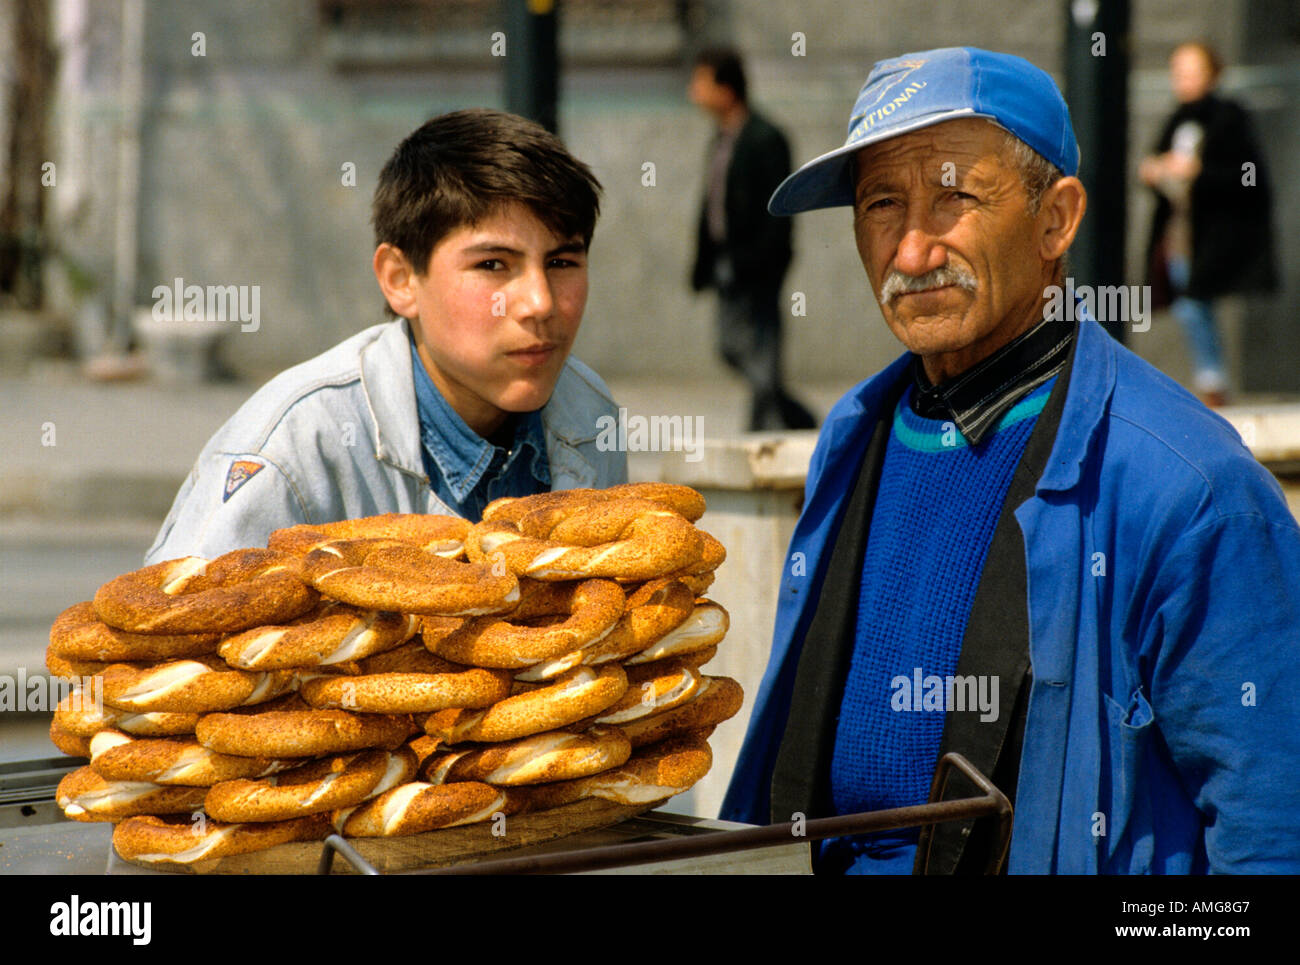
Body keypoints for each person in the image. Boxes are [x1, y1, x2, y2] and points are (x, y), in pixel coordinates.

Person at [720, 47, 1300, 874]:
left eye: (955, 196)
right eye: (882, 203)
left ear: (1056, 219)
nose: (912, 251)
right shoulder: (853, 437)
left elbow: (1274, 828)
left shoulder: (1188, 484)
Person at [146, 109, 626, 563]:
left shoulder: (586, 415)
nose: (540, 303)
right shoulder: (293, 452)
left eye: (562, 263)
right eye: (492, 265)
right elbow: (176, 630)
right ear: (400, 279)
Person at [1139, 40, 1278, 408]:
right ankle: (1210, 377)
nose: (1182, 80)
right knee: (1188, 303)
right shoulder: (1178, 117)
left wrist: (1199, 173)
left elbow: (1248, 176)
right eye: (1178, 72)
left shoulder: (1228, 116)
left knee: (1196, 300)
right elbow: (1156, 162)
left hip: (1213, 233)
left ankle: (1212, 379)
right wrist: (1155, 171)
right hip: (1180, 232)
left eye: (1191, 72)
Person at [688, 47, 816, 432]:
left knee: (762, 352)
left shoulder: (765, 138)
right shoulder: (722, 138)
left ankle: (764, 429)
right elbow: (712, 201)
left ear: (726, 89)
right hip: (728, 263)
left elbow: (779, 212)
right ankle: (796, 417)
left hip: (758, 264)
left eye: (702, 81)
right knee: (731, 346)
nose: (693, 91)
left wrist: (767, 260)